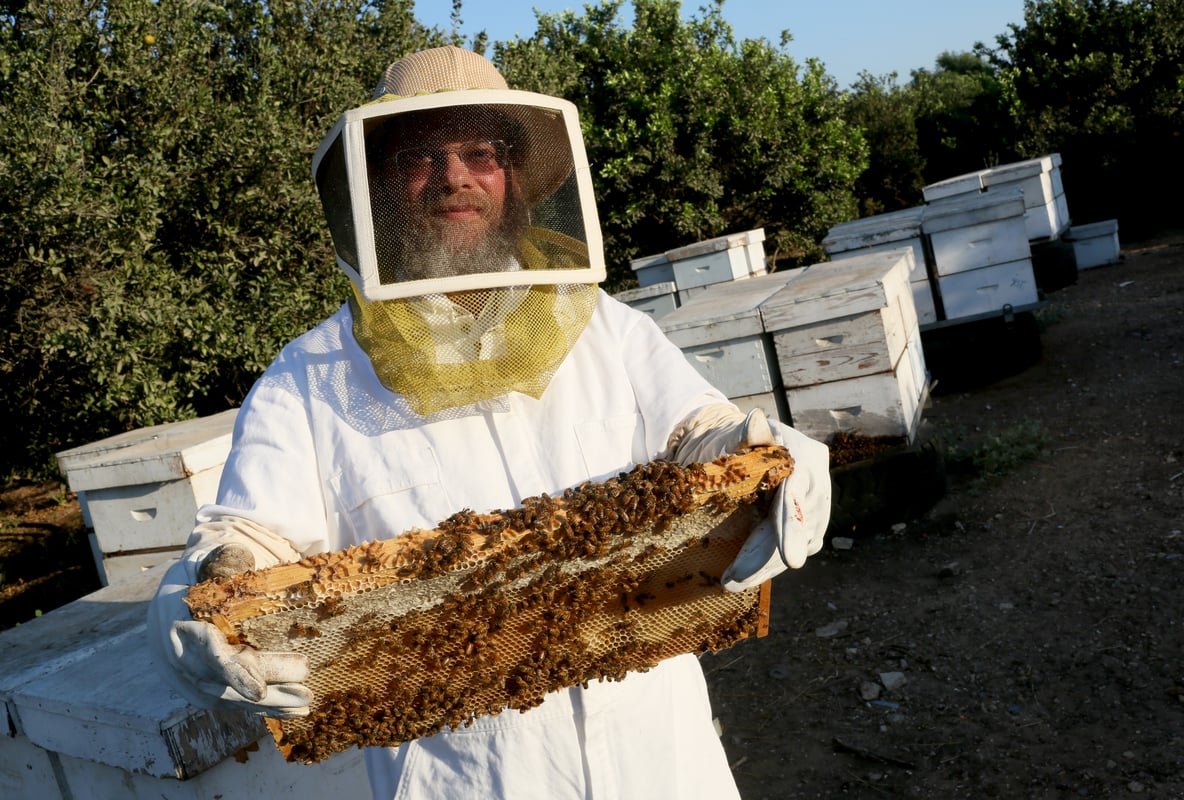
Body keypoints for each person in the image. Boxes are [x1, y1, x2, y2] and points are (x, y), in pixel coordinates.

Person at [148, 45, 832, 799]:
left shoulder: (605, 327)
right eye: (421, 156)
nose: (454, 176)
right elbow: (244, 537)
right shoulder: (310, 378)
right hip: (463, 777)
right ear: (379, 187)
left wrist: (765, 454)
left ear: (511, 178)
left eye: (479, 151)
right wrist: (208, 603)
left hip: (658, 758)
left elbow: (699, 437)